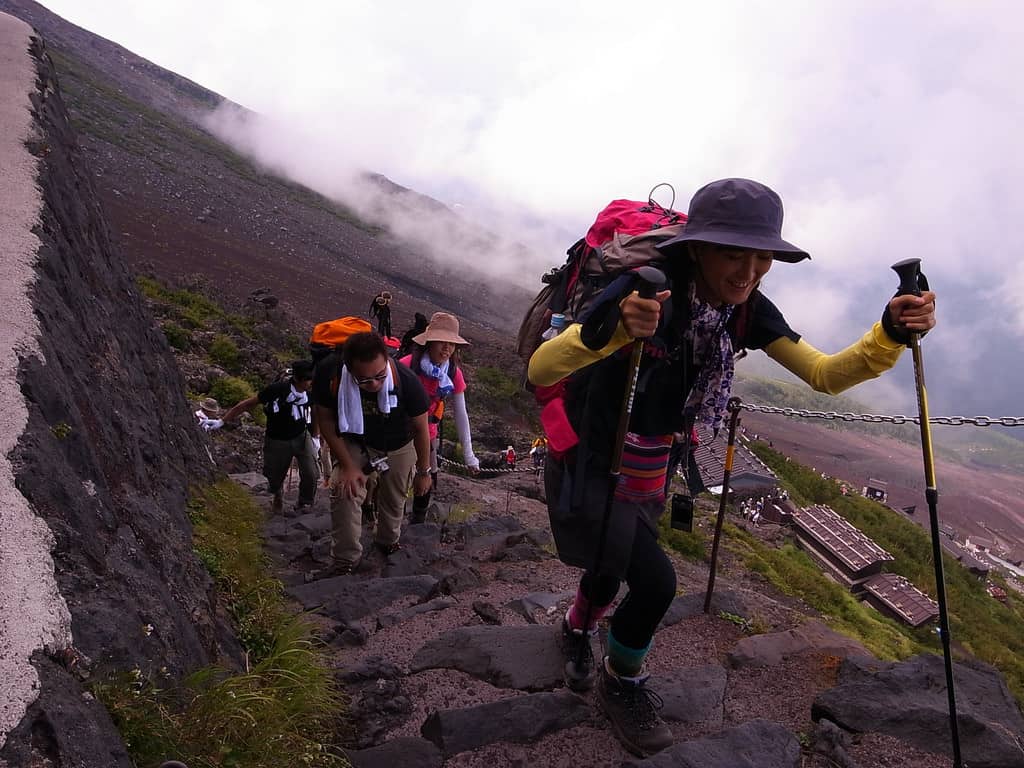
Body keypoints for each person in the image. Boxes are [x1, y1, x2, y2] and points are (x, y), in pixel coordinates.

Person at [527, 177, 937, 757]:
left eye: (762, 255)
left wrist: (890, 333)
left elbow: (824, 374)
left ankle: (576, 626)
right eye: (733, 253)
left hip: (652, 459)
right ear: (696, 248)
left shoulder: (741, 309)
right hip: (593, 455)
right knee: (656, 581)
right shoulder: (640, 291)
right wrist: (617, 329)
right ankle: (622, 680)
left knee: (612, 563)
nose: (749, 271)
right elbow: (543, 368)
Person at [311, 331, 432, 577]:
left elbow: (421, 430)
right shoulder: (330, 373)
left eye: (380, 376)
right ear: (348, 368)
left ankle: (387, 541)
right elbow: (324, 419)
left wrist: (423, 472)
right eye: (365, 381)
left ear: (387, 360)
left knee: (394, 497)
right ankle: (345, 560)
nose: (375, 384)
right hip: (356, 439)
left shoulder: (406, 381)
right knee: (345, 489)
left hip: (399, 443)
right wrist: (347, 465)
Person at [206, 360, 320, 514]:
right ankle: (277, 494)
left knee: (311, 472)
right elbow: (247, 404)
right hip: (277, 439)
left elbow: (315, 411)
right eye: (308, 379)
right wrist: (222, 421)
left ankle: (305, 502)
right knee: (274, 475)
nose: (311, 382)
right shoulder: (278, 389)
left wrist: (315, 437)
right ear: (299, 379)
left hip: (301, 435)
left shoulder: (310, 392)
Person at [399, 312, 480, 522]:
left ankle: (418, 522)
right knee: (398, 478)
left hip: (429, 433)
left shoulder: (452, 373)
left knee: (428, 477)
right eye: (442, 342)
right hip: (402, 431)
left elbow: (462, 414)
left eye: (451, 344)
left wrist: (469, 455)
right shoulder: (407, 365)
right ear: (429, 342)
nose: (447, 349)